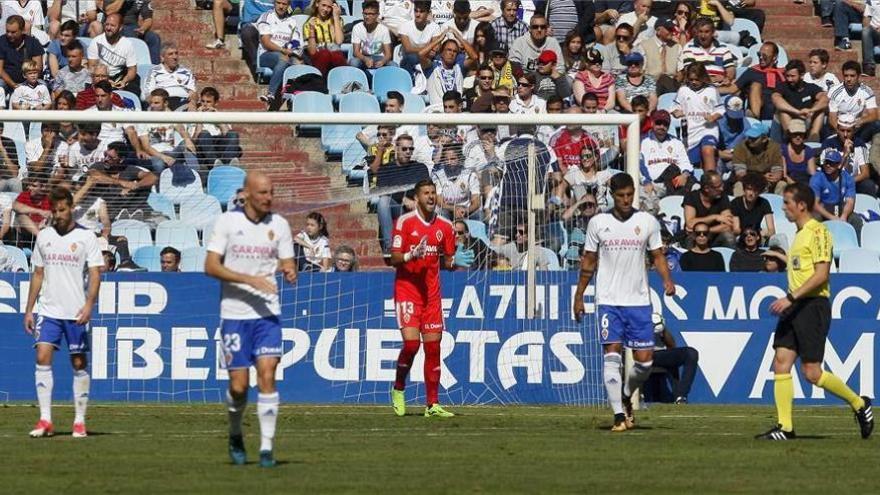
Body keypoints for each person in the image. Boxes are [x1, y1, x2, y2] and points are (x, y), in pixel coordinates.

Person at [757, 182, 874, 440]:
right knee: (781, 362)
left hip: (811, 306)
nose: (784, 208)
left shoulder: (818, 232)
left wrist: (791, 297)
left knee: (812, 372)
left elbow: (822, 275)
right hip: (795, 306)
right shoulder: (799, 234)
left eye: (787, 202)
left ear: (801, 205)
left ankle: (859, 404)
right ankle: (785, 428)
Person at [204, 171, 297, 467]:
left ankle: (267, 448)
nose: (268, 198)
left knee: (268, 375)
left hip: (267, 314)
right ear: (246, 193)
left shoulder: (279, 225)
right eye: (262, 193)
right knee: (239, 387)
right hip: (234, 314)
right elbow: (210, 266)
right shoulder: (227, 222)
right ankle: (235, 432)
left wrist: (289, 270)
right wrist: (250, 280)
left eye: (271, 192)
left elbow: (286, 260)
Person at [573, 173, 676, 432]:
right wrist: (579, 295)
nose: (626, 200)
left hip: (639, 300)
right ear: (612, 195)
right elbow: (588, 261)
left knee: (645, 361)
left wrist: (667, 280)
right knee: (612, 356)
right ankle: (618, 415)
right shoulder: (598, 222)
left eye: (630, 195)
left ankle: (627, 394)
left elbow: (658, 255)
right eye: (621, 196)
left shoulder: (647, 222)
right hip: (608, 299)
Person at [24, 187, 103, 439]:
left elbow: (95, 273)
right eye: (54, 210)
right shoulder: (44, 236)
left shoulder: (86, 237)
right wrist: (29, 309)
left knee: (78, 362)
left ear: (71, 208)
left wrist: (89, 304)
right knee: (42, 356)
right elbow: (38, 273)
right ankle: (45, 419)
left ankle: (79, 421)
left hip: (75, 310)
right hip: (49, 310)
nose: (58, 215)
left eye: (62, 210)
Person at [390, 180, 457, 418]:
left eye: (433, 193)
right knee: (411, 345)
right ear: (417, 198)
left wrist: (455, 262)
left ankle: (432, 404)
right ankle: (398, 387)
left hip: (432, 294)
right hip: (408, 290)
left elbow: (447, 262)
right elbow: (394, 258)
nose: (430, 197)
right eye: (426, 193)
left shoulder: (446, 227)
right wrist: (411, 254)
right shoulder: (405, 223)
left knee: (433, 347)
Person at [671, 62, 722, 171]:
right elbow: (675, 108)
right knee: (693, 165)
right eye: (691, 79)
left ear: (703, 77)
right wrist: (676, 112)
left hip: (708, 129)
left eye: (697, 79)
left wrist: (713, 117)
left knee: (707, 151)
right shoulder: (683, 90)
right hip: (690, 133)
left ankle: (710, 182)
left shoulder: (712, 91)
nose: (694, 82)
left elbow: (720, 109)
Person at [810, 149, 863, 235]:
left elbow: (850, 201)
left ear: (838, 165)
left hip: (840, 208)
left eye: (831, 163)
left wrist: (844, 216)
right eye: (826, 162)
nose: (828, 165)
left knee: (856, 220)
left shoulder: (847, 178)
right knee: (815, 219)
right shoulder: (817, 178)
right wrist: (832, 218)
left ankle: (856, 244)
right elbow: (815, 204)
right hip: (823, 210)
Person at [649, 313, 699, 404]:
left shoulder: (654, 317)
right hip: (639, 354)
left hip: (659, 355)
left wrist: (663, 330)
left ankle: (681, 397)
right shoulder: (633, 319)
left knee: (691, 353)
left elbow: (672, 346)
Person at [683, 171, 736, 248]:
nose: (722, 189)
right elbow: (690, 224)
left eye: (722, 185)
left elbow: (728, 225)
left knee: (729, 236)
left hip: (715, 236)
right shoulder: (692, 197)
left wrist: (705, 231)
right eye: (718, 187)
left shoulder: (723, 197)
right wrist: (715, 217)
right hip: (695, 237)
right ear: (707, 188)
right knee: (692, 238)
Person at [143, 42, 198, 110]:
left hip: (183, 102)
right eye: (170, 54)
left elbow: (193, 93)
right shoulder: (154, 72)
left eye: (176, 53)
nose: (175, 57)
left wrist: (193, 102)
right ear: (162, 57)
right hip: (163, 103)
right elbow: (148, 95)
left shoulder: (186, 72)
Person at [730, 172, 775, 241]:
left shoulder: (764, 203)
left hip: (758, 236)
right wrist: (748, 235)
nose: (751, 193)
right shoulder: (736, 203)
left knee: (780, 238)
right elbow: (736, 229)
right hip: (741, 237)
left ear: (759, 191)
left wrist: (761, 234)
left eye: (755, 190)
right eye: (749, 189)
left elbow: (771, 230)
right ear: (744, 189)